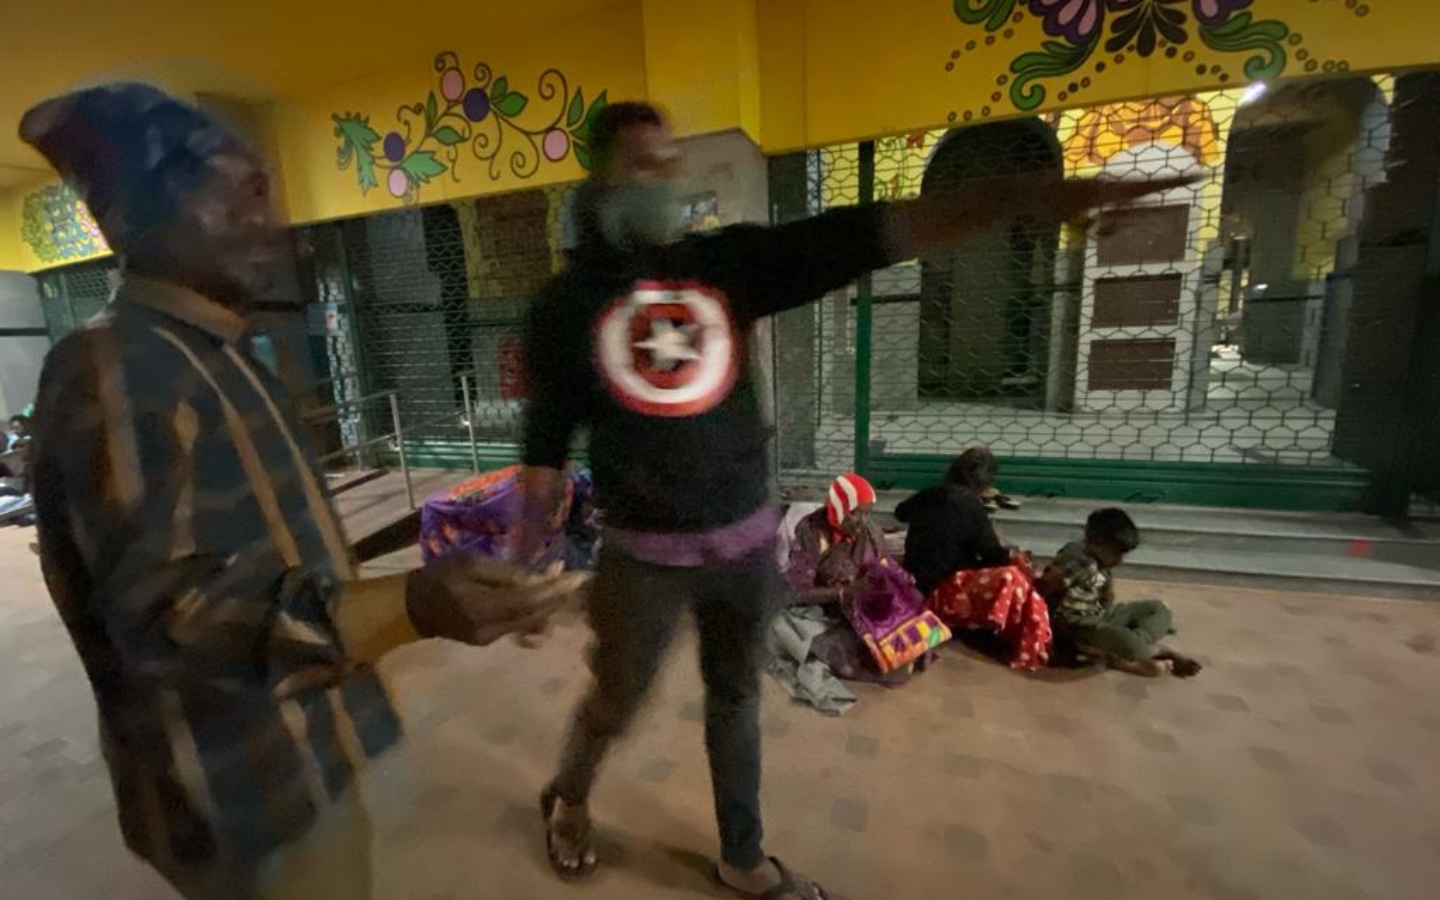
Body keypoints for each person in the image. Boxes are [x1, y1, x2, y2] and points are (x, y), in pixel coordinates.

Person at [519, 100, 1190, 898]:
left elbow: (868, 233)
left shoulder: (721, 267)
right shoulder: (564, 308)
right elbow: (542, 454)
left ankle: (741, 858)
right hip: (641, 562)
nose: (662, 177)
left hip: (744, 546)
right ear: (599, 178)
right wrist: (523, 562)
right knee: (617, 699)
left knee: (735, 698)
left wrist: (1023, 196)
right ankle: (568, 794)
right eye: (640, 162)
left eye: (668, 161)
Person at [20, 83, 584, 900]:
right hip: (241, 799)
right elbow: (172, 616)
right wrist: (413, 607)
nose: (270, 220)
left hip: (303, 762)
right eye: (240, 191)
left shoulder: (218, 352)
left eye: (267, 191)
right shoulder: (115, 368)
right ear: (149, 209)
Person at [896, 447, 1052, 671]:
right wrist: (1009, 552)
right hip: (939, 592)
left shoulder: (931, 493)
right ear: (986, 483)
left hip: (916, 581)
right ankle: (1021, 638)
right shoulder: (971, 506)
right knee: (1014, 574)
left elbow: (901, 512)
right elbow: (992, 556)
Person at [1037, 508, 1202, 678]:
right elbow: (1043, 588)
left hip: (1100, 613)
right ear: (1096, 543)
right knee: (1132, 644)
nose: (1121, 561)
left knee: (1159, 609)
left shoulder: (1099, 561)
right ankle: (1144, 652)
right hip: (1078, 624)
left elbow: (1105, 600)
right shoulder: (1081, 563)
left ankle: (1134, 647)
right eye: (1116, 554)